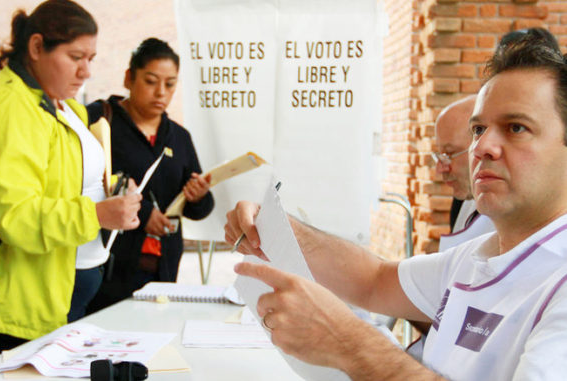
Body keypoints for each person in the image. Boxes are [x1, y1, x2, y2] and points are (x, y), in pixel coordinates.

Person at [225, 37, 567, 379]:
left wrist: (347, 343)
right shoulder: (478, 256)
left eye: (516, 128)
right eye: (478, 129)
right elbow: (374, 279)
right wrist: (275, 226)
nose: (482, 147)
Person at [0, 0, 141, 354]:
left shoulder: (59, 102)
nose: (86, 72)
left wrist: (115, 189)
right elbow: (12, 215)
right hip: (27, 308)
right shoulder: (10, 108)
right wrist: (97, 214)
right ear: (36, 47)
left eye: (91, 59)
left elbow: (68, 181)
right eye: (75, 57)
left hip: (66, 296)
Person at [86, 38, 214, 312]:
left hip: (162, 270)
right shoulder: (99, 120)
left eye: (170, 84)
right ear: (129, 78)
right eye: (151, 81)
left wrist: (198, 196)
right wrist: (143, 215)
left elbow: (199, 209)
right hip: (105, 268)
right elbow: (83, 182)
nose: (161, 93)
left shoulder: (178, 137)